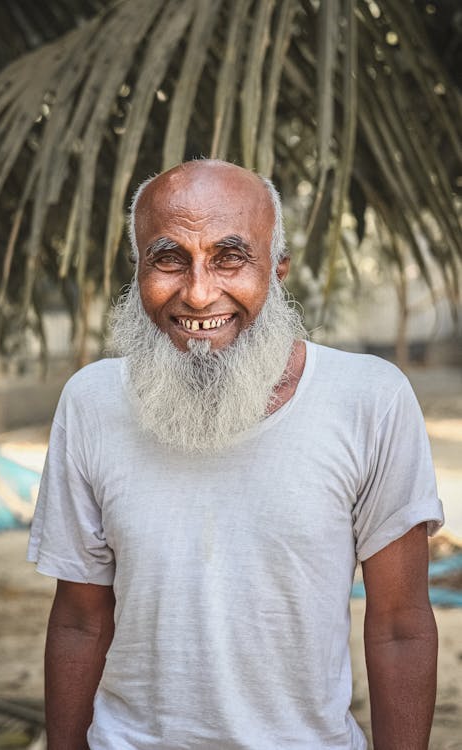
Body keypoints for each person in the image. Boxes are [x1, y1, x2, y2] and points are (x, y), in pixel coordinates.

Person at [28, 159, 444, 750]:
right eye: (169, 258)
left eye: (229, 258)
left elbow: (401, 628)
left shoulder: (370, 400)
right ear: (139, 269)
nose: (199, 293)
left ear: (278, 271)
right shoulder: (91, 403)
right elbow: (78, 619)